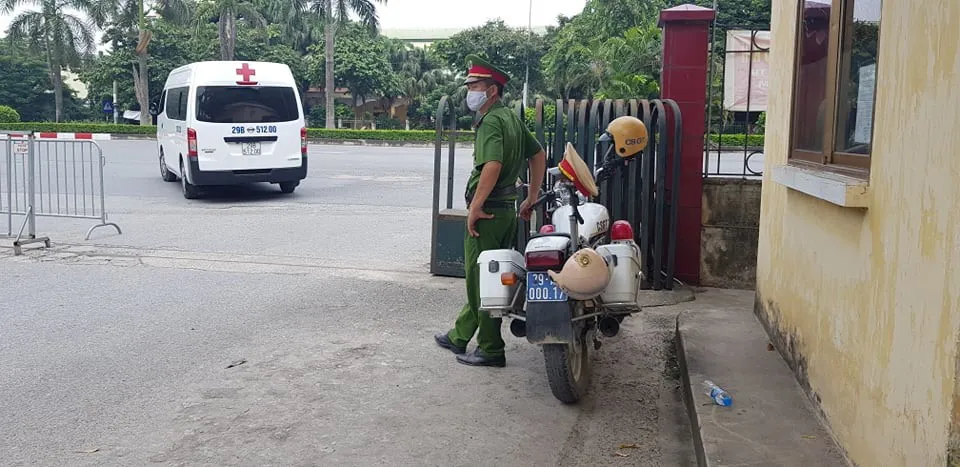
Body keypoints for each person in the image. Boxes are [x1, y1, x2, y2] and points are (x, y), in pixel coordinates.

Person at [434, 54, 546, 368]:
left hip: (489, 214)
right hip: (505, 211)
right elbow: (538, 154)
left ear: (491, 90)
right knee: (487, 276)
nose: (469, 90)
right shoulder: (509, 116)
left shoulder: (492, 121)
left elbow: (492, 165)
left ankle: (491, 349)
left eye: (475, 85)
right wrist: (531, 196)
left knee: (482, 280)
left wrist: (476, 207)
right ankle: (460, 334)